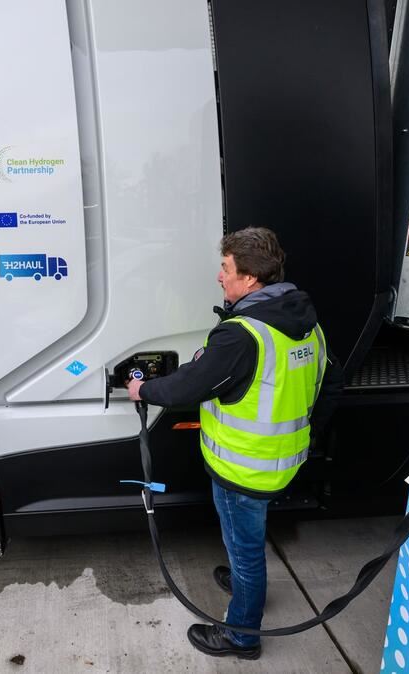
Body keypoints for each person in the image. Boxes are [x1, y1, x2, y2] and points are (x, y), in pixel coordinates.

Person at [127, 226, 342, 660]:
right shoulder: (306, 323)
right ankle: (247, 584)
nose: (219, 277)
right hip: (280, 461)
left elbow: (192, 385)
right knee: (247, 541)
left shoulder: (244, 335)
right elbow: (329, 386)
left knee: (245, 551)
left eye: (226, 269)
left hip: (242, 469)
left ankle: (242, 637)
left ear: (250, 279)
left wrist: (143, 392)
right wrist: (308, 435)